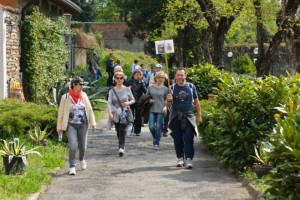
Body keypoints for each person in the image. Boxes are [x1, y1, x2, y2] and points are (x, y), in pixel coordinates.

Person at [57, 77, 96, 175]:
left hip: (83, 124)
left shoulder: (84, 95)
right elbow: (61, 113)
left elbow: (89, 109)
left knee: (83, 146)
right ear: (74, 84)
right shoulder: (65, 97)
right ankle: (72, 166)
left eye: (83, 84)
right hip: (71, 125)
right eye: (81, 84)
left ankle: (82, 158)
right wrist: (59, 127)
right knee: (73, 145)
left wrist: (93, 123)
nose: (82, 86)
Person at [166, 67, 202, 169]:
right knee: (177, 139)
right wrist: (168, 100)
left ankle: (189, 159)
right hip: (176, 116)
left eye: (182, 75)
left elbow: (196, 101)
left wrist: (199, 115)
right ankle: (180, 158)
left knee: (188, 137)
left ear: (185, 75)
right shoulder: (171, 88)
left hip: (189, 116)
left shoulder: (191, 86)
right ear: (176, 76)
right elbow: (167, 105)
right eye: (178, 75)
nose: (180, 77)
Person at [107, 71, 135, 156]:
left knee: (122, 128)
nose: (119, 80)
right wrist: (110, 113)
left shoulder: (127, 89)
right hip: (116, 112)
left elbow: (133, 100)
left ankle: (121, 147)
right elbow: (109, 102)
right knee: (118, 130)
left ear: (124, 79)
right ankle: (121, 145)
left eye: (121, 78)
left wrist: (128, 103)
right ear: (115, 79)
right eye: (117, 78)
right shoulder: (112, 91)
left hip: (125, 112)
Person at [147, 71, 169, 150]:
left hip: (161, 109)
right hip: (152, 109)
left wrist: (166, 107)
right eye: (159, 77)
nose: (160, 79)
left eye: (162, 77)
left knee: (159, 127)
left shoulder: (166, 89)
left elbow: (167, 99)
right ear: (156, 78)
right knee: (151, 127)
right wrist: (149, 100)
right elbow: (147, 97)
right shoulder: (150, 87)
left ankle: (156, 143)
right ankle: (156, 137)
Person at [126, 70, 147, 136]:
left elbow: (145, 91)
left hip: (139, 101)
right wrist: (128, 88)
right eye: (137, 74)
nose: (138, 76)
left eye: (139, 75)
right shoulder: (129, 81)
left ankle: (137, 131)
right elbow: (125, 90)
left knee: (138, 116)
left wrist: (143, 83)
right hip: (131, 101)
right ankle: (130, 129)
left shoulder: (141, 82)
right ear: (133, 75)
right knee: (130, 115)